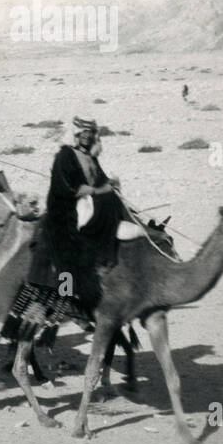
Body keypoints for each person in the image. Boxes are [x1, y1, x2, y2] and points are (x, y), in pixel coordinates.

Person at [28, 115, 139, 313]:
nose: (87, 137)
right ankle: (66, 294)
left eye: (90, 133)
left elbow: (101, 181)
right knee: (67, 254)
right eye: (83, 133)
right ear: (76, 134)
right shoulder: (65, 156)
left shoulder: (90, 157)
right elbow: (66, 188)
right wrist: (97, 191)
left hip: (87, 206)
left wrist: (110, 185)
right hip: (65, 210)